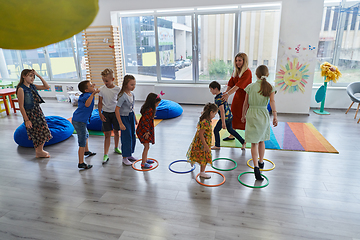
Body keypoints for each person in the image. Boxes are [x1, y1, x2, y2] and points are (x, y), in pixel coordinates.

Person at [241, 65, 278, 180]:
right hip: (263, 113)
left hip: (252, 113)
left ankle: (256, 166)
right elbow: (272, 102)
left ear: (256, 75)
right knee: (261, 140)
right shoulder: (270, 87)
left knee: (254, 142)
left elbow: (245, 103)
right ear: (267, 75)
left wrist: (243, 115)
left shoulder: (250, 87)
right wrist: (275, 116)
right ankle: (261, 162)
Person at [16, 69, 52, 158]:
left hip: (37, 111)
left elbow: (46, 87)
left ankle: (40, 150)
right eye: (30, 76)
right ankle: (38, 151)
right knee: (36, 132)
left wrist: (38, 75)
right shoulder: (21, 89)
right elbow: (21, 106)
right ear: (24, 76)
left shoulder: (32, 86)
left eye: (33, 76)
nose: (32, 78)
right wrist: (27, 120)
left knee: (43, 130)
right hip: (30, 114)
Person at [222, 52, 252, 143]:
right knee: (234, 115)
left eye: (240, 60)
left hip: (245, 98)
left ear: (244, 61)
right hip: (237, 97)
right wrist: (226, 93)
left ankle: (247, 137)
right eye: (236, 60)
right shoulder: (235, 71)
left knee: (244, 116)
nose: (237, 62)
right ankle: (232, 135)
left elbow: (238, 86)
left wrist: (227, 94)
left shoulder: (247, 72)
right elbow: (231, 83)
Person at [209, 81, 245, 150]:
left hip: (225, 118)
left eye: (211, 89)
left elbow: (222, 110)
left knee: (216, 130)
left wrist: (223, 122)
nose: (210, 91)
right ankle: (243, 141)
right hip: (229, 116)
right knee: (231, 130)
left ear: (215, 88)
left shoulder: (219, 99)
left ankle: (217, 145)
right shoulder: (222, 95)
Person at [72, 80, 99, 169]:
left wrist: (92, 88)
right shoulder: (87, 96)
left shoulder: (85, 94)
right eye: (91, 86)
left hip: (80, 119)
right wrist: (93, 93)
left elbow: (88, 93)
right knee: (82, 140)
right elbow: (87, 104)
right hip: (79, 121)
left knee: (86, 134)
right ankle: (81, 162)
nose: (93, 86)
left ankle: (86, 151)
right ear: (87, 90)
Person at [187, 103, 218, 179]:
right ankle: (202, 172)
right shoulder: (205, 122)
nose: (215, 116)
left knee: (197, 152)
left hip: (199, 141)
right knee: (204, 156)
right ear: (211, 112)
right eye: (215, 114)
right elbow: (201, 134)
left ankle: (192, 161)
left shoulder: (205, 118)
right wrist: (205, 145)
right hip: (203, 142)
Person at [98, 68, 122, 164]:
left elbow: (120, 103)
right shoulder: (101, 89)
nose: (105, 83)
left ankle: (116, 147)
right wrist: (100, 113)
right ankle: (105, 154)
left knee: (116, 132)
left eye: (107, 81)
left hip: (115, 113)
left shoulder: (118, 89)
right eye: (103, 81)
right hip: (106, 113)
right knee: (107, 134)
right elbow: (100, 103)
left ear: (113, 79)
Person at [115, 75, 138, 166]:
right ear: (125, 84)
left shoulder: (132, 95)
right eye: (131, 84)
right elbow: (117, 110)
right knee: (126, 137)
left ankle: (129, 154)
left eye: (134, 84)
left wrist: (135, 118)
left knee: (132, 135)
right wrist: (120, 123)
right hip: (124, 118)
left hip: (131, 116)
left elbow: (132, 108)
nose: (133, 86)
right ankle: (124, 157)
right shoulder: (122, 96)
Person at [136, 93, 161, 169]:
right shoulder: (149, 110)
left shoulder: (149, 109)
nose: (157, 105)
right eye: (157, 104)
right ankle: (143, 163)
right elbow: (145, 122)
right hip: (143, 131)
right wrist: (146, 132)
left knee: (147, 146)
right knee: (146, 147)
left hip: (145, 130)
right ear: (153, 103)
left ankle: (145, 159)